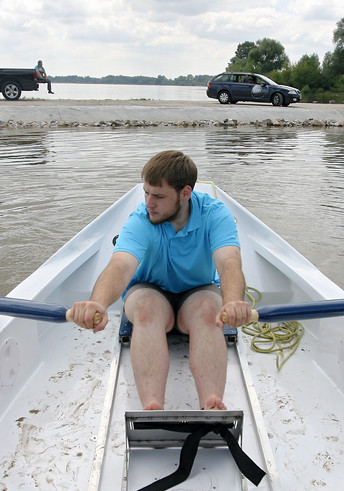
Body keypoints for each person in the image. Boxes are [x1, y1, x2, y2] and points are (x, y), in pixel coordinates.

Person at [70, 151, 252, 411]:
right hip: (150, 291)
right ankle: (152, 405)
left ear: (185, 193)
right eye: (146, 193)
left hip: (198, 292)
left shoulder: (215, 214)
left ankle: (212, 404)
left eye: (158, 196)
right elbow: (120, 266)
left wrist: (234, 302)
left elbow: (229, 263)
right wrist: (97, 303)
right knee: (146, 310)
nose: (148, 203)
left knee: (211, 311)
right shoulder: (141, 220)